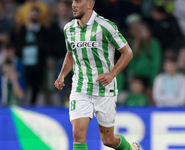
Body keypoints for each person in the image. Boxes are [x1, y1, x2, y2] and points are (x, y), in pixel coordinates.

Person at [54, 0, 139, 150]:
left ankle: (131, 148)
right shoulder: (68, 28)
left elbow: (128, 53)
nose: (73, 4)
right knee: (78, 134)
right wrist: (61, 76)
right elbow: (70, 54)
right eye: (73, 1)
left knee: (108, 140)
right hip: (80, 87)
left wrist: (112, 74)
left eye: (78, 1)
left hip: (104, 89)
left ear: (90, 4)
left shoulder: (105, 26)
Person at [17, 7, 48, 105]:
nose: (34, 15)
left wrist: (34, 30)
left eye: (36, 14)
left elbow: (44, 44)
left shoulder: (42, 29)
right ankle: (22, 101)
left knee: (36, 83)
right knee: (25, 82)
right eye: (32, 13)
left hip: (37, 62)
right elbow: (19, 43)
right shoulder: (23, 28)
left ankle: (33, 103)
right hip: (25, 61)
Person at [48, 0, 73, 106]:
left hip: (73, 59)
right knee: (60, 83)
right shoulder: (53, 26)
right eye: (61, 9)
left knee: (76, 82)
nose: (63, 11)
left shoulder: (75, 24)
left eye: (65, 9)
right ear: (58, 11)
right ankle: (62, 104)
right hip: (58, 59)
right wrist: (50, 58)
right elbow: (49, 44)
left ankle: (75, 104)